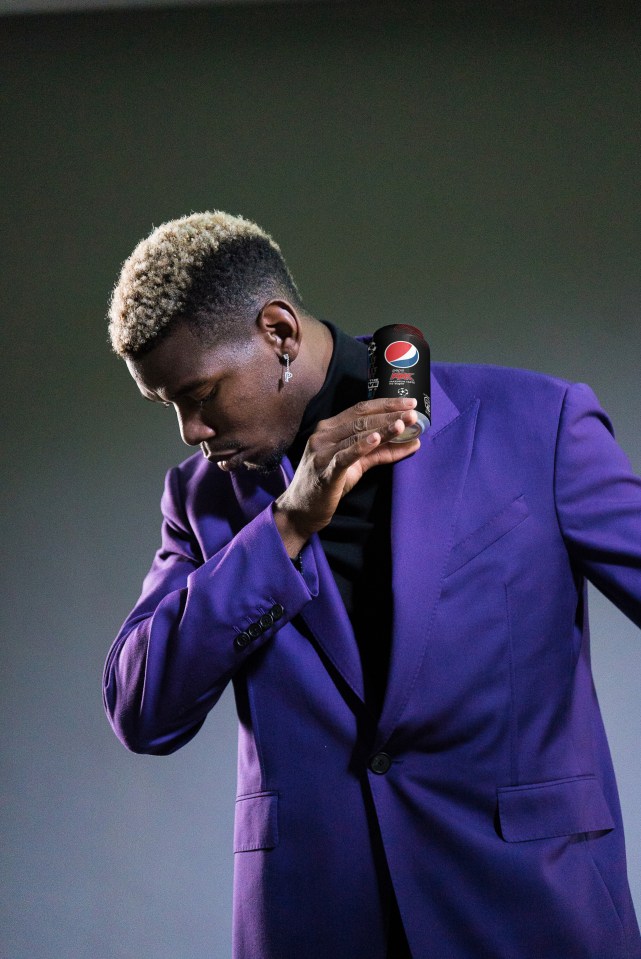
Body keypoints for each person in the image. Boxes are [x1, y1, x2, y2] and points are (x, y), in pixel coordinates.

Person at [104, 211, 641, 959]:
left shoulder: (537, 424)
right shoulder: (202, 501)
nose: (191, 430)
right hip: (316, 923)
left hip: (527, 910)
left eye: (199, 393)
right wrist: (284, 526)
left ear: (279, 333)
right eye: (169, 405)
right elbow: (141, 708)